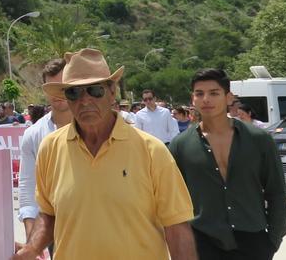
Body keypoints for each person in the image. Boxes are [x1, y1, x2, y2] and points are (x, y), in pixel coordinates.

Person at [14, 48, 196, 260]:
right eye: (74, 92)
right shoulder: (50, 148)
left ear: (112, 91)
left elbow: (177, 227)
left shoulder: (152, 152)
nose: (84, 100)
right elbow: (49, 214)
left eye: (94, 90)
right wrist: (32, 248)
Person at [169, 69, 286, 260]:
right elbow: (173, 201)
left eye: (214, 93)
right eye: (200, 93)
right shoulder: (180, 145)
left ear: (229, 97)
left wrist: (272, 240)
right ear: (193, 99)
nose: (206, 99)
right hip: (202, 242)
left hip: (253, 240)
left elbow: (277, 192)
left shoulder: (259, 140)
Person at [18, 59, 68, 243]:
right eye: (51, 88)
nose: (57, 94)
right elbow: (27, 186)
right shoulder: (33, 134)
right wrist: (32, 240)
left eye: (62, 87)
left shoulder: (94, 129)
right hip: (55, 230)